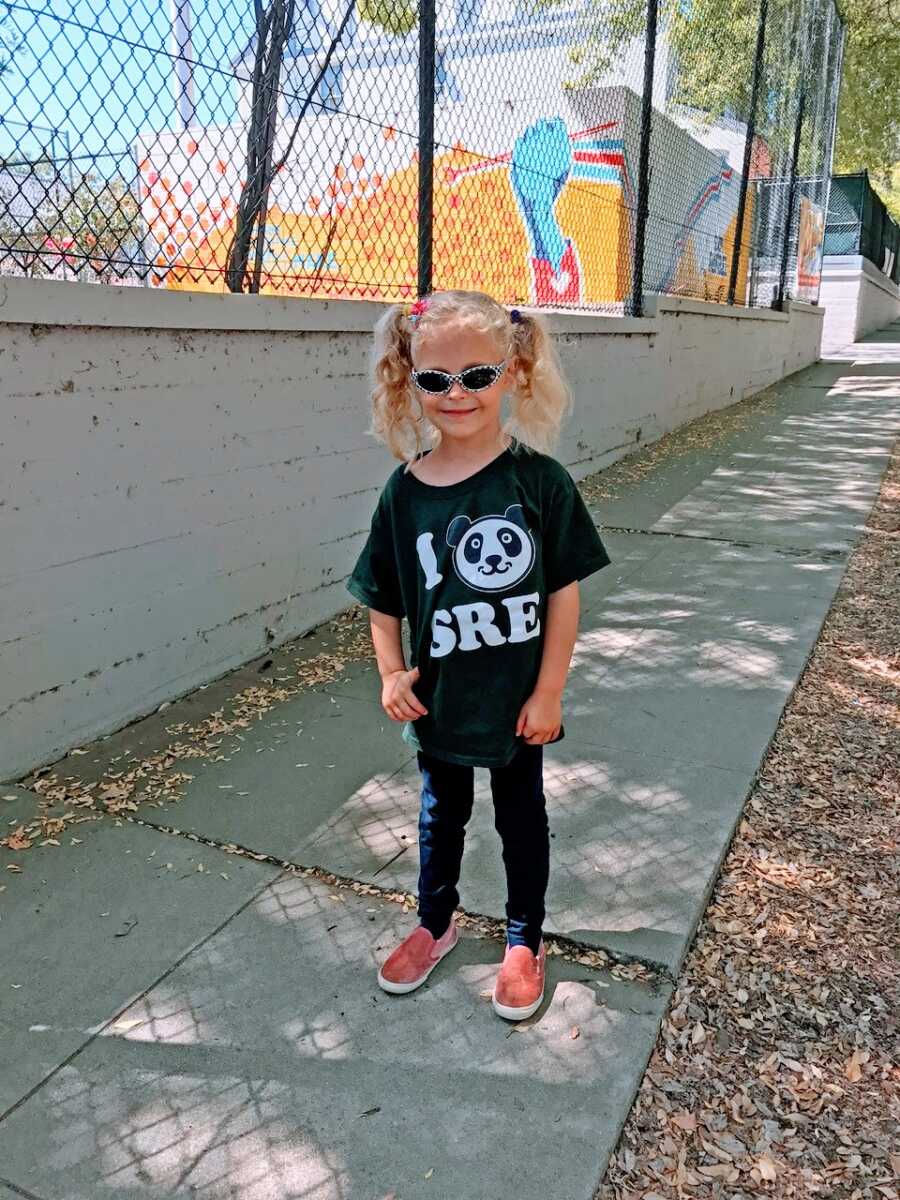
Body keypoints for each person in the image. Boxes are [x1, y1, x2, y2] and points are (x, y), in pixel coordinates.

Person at [346, 289, 611, 1021]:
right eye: (435, 379)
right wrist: (390, 671)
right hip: (440, 705)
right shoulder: (403, 495)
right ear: (409, 381)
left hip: (516, 703)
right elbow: (383, 596)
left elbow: (563, 594)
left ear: (514, 371)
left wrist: (549, 690)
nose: (456, 394)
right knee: (439, 816)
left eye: (477, 375)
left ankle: (524, 939)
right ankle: (436, 923)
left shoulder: (538, 483)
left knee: (520, 817)